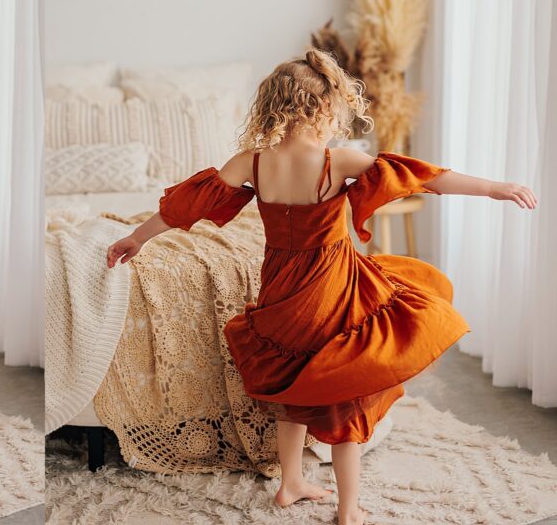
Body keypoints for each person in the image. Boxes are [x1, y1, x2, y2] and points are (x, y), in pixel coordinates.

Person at [104, 48, 537, 525]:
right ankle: (349, 509)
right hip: (330, 289)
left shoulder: (253, 161)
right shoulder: (337, 160)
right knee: (343, 397)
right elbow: (423, 177)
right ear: (323, 108)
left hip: (279, 290)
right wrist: (495, 188)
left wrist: (135, 238)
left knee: (294, 387)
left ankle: (290, 484)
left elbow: (183, 206)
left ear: (273, 106)